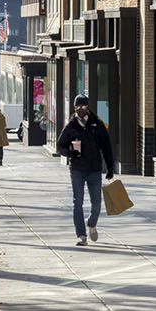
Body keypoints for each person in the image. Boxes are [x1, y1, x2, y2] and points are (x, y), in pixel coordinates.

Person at [56, 94, 117, 246]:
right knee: (78, 202)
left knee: (97, 203)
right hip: (77, 169)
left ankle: (91, 223)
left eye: (83, 106)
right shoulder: (71, 126)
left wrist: (110, 167)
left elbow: (106, 146)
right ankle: (81, 235)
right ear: (74, 108)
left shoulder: (97, 124)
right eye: (78, 107)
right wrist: (70, 153)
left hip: (95, 169)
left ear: (88, 107)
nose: (81, 110)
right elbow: (60, 146)